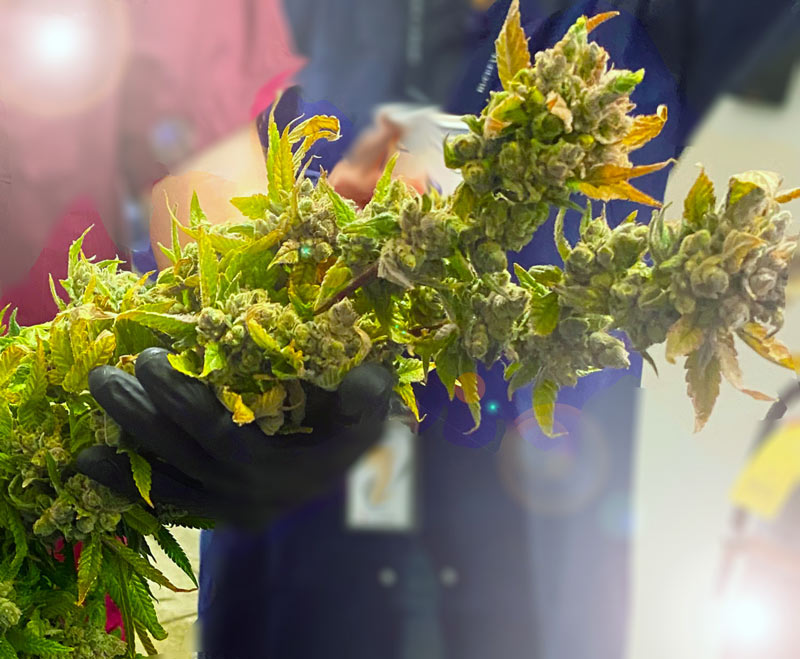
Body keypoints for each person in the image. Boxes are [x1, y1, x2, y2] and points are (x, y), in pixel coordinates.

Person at [76, 1, 800, 658]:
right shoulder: (266, 20)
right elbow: (179, 211)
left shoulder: (653, 21)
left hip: (531, 576)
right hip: (296, 565)